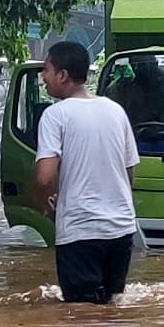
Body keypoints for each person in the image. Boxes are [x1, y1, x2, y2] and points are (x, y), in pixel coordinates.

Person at [34, 39, 140, 304]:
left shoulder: (55, 115)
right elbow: (129, 174)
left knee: (81, 316)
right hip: (120, 230)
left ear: (63, 75)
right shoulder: (116, 111)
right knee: (112, 307)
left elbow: (44, 176)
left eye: (46, 70)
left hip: (80, 231)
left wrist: (51, 203)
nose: (43, 77)